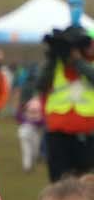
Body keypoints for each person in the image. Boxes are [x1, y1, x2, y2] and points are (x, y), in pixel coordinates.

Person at [38, 25, 94, 181]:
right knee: (58, 182)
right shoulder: (55, 66)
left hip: (86, 135)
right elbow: (41, 84)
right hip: (58, 135)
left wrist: (78, 62)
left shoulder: (89, 65)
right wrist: (52, 58)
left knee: (85, 184)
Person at [17, 92, 46, 173]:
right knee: (28, 149)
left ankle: (29, 165)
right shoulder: (39, 104)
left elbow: (18, 116)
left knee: (32, 151)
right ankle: (27, 167)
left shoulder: (31, 103)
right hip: (28, 129)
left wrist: (26, 119)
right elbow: (43, 121)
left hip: (31, 130)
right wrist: (33, 121)